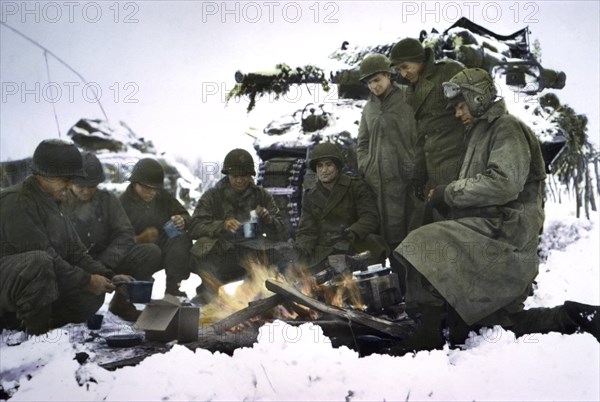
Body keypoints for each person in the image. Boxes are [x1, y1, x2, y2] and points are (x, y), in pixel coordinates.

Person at [391, 68, 599, 353]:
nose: (457, 113)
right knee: (495, 326)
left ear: (478, 99)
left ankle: (426, 335)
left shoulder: (506, 127)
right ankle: (575, 317)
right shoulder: (479, 134)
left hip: (505, 234)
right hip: (489, 233)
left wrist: (449, 193)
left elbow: (504, 183)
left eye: (461, 105)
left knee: (422, 244)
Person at [0, 139, 131, 334]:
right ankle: (33, 337)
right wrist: (86, 280)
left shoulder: (53, 202)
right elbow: (45, 258)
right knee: (39, 262)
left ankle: (44, 324)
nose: (70, 186)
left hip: (35, 285)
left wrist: (108, 276)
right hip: (9, 288)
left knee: (93, 294)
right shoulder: (15, 202)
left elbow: (76, 253)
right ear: (44, 175)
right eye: (66, 179)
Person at [60, 152, 162, 321]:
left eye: (91, 186)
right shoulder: (59, 203)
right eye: (80, 186)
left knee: (149, 252)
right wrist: (88, 276)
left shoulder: (108, 200)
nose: (86, 191)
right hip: (73, 268)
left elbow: (125, 234)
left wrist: (103, 265)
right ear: (71, 183)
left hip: (106, 260)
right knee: (87, 305)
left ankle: (122, 303)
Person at [188, 148, 290, 304]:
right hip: (222, 256)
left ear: (250, 176)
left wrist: (269, 220)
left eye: (244, 176)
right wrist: (221, 225)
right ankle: (208, 294)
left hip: (251, 254)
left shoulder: (261, 195)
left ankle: (261, 294)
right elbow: (194, 226)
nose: (240, 180)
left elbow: (283, 231)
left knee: (283, 251)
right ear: (228, 175)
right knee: (203, 250)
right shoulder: (213, 196)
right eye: (235, 176)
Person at [356, 53, 421, 296]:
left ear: (388, 76)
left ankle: (417, 296)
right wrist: (366, 165)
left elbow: (421, 135)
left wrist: (413, 165)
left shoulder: (408, 98)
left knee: (409, 237)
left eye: (377, 79)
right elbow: (361, 142)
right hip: (377, 185)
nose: (374, 86)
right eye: (370, 82)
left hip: (405, 182)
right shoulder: (368, 109)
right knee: (385, 241)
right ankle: (398, 294)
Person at [390, 37, 466, 219]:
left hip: (459, 163)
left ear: (419, 58)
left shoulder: (449, 71)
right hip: (434, 166)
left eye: (406, 66)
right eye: (399, 69)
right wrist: (418, 173)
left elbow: (477, 104)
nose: (403, 73)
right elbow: (421, 135)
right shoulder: (412, 90)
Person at [295, 142, 387, 274]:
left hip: (353, 244)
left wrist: (352, 232)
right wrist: (302, 248)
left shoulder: (355, 186)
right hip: (325, 249)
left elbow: (370, 217)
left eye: (328, 164)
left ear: (337, 167)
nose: (324, 170)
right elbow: (306, 230)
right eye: (319, 166)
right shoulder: (310, 195)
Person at [119, 158, 193, 297]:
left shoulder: (162, 197)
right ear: (135, 184)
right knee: (151, 250)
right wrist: (139, 239)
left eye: (155, 188)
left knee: (181, 237)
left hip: (161, 248)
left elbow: (185, 215)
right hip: (134, 255)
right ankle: (130, 294)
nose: (152, 192)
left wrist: (182, 219)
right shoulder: (121, 204)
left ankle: (172, 287)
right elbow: (114, 245)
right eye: (147, 187)